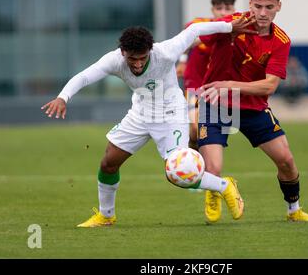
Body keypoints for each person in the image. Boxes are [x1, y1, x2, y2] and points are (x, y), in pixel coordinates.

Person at [41, 18, 256, 227]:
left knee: (178, 173)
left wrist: (229, 27)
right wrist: (63, 97)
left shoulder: (165, 51)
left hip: (171, 114)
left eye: (142, 58)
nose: (137, 63)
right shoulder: (114, 60)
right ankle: (106, 216)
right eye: (132, 59)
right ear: (123, 53)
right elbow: (84, 77)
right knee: (108, 163)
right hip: (141, 114)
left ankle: (224, 185)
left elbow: (195, 29)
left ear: (150, 51)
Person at [198, 0, 308, 223]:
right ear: (250, 3)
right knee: (213, 168)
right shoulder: (233, 22)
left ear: (278, 7)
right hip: (215, 104)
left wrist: (231, 85)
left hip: (253, 108)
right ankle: (218, 187)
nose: (262, 13)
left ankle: (293, 210)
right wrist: (225, 30)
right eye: (257, 6)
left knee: (286, 160)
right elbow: (201, 34)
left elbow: (270, 85)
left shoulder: (281, 41)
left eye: (269, 7)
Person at [176, 0, 237, 150]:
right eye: (219, 8)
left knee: (211, 133)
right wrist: (182, 61)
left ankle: (200, 166)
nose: (223, 12)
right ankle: (191, 153)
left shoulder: (236, 30)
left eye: (227, 8)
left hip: (218, 89)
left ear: (234, 9)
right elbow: (184, 41)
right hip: (194, 85)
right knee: (195, 129)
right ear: (212, 9)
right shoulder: (200, 24)